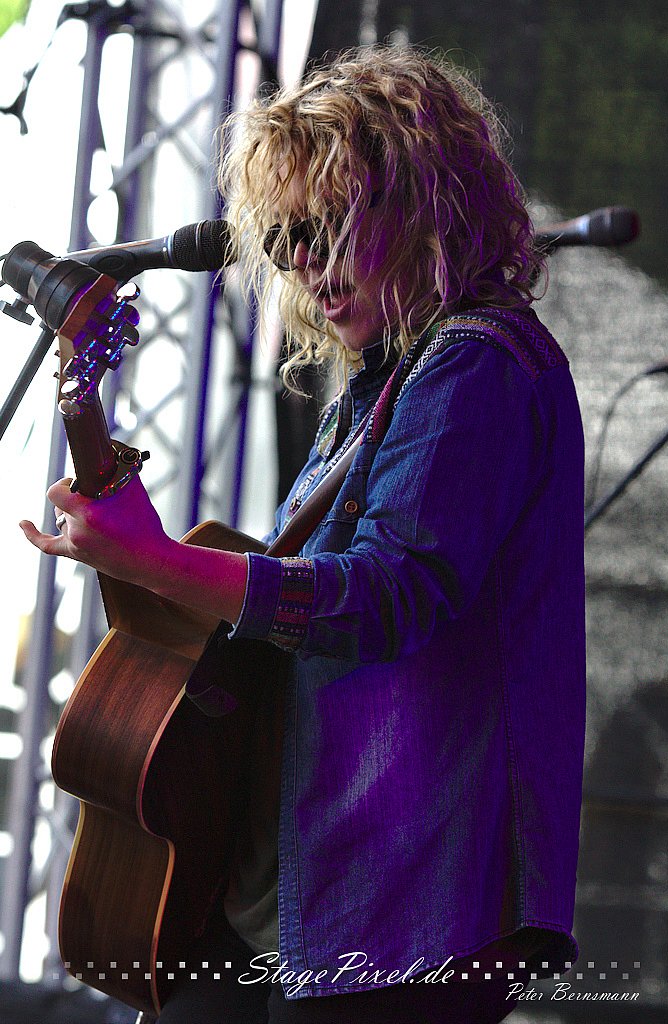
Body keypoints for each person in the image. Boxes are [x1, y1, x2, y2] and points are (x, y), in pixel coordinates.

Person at [21, 46, 586, 1024]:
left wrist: (154, 560)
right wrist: (154, 560)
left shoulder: (476, 364)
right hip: (304, 890)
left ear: (421, 203)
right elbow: (291, 614)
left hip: (402, 903)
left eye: (325, 229)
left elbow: (383, 597)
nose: (303, 267)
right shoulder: (381, 381)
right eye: (282, 242)